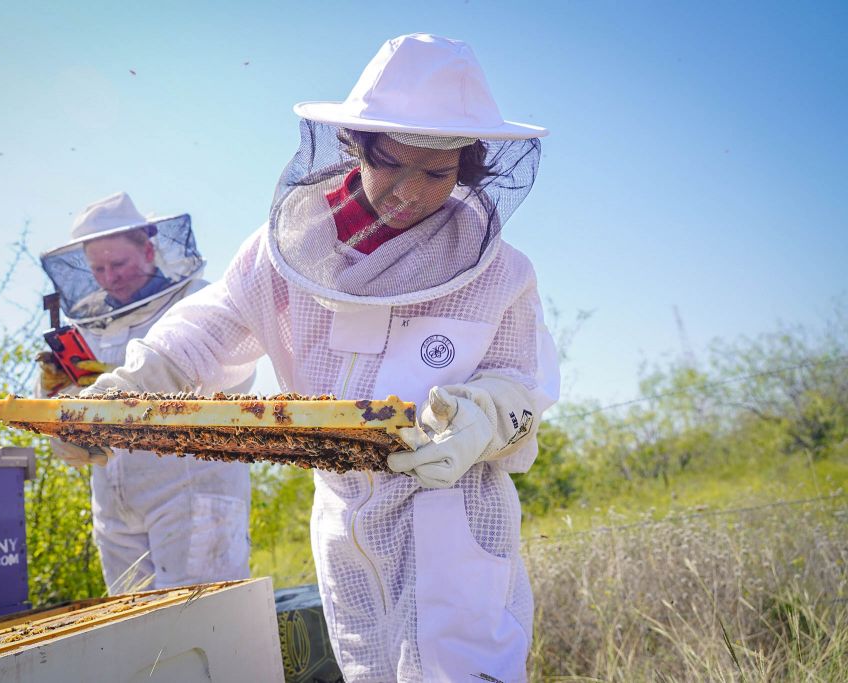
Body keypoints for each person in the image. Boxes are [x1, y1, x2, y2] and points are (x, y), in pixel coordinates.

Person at [85, 34, 559, 682]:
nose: (408, 191)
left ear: (467, 169)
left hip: (455, 524)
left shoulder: (499, 272)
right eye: (391, 162)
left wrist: (482, 418)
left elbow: (522, 385)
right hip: (346, 529)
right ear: (355, 146)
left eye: (436, 172)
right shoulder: (284, 252)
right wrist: (133, 383)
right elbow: (210, 328)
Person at [36, 191, 255, 594]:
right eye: (97, 268)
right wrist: (56, 389)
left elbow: (234, 376)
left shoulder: (195, 301)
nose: (109, 277)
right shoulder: (92, 322)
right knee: (131, 632)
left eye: (118, 263)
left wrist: (132, 386)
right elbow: (75, 408)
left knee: (200, 622)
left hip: (191, 488)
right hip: (113, 499)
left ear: (149, 250)